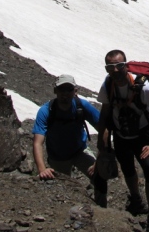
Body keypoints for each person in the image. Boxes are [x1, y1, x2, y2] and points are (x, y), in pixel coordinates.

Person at [97, 50, 149, 232]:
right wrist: (102, 139)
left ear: (126, 66)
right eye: (110, 67)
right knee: (128, 169)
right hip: (121, 136)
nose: (115, 70)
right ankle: (136, 200)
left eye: (119, 66)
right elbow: (105, 114)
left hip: (142, 137)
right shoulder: (107, 86)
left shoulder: (142, 87)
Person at [32, 74, 108, 207]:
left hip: (80, 151)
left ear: (75, 91)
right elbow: (38, 142)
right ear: (55, 91)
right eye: (62, 90)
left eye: (69, 90)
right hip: (58, 157)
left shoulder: (82, 106)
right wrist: (42, 169)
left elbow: (104, 130)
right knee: (61, 188)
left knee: (100, 176)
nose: (65, 94)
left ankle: (101, 209)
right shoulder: (46, 111)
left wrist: (99, 160)